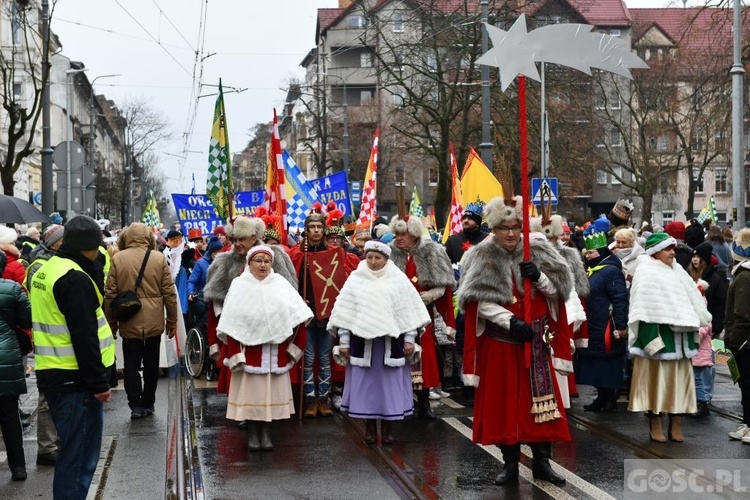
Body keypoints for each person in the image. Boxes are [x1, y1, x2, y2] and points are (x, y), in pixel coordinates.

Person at [458, 195, 572, 486]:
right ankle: (510, 463)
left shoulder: (538, 250)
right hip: (501, 345)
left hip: (535, 343)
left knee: (541, 406)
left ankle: (542, 463)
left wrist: (540, 277)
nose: (510, 233)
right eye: (503, 228)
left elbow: (560, 291)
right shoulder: (481, 255)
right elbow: (475, 302)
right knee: (504, 406)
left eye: (515, 227)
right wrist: (509, 321)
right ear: (494, 229)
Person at [30, 215, 115, 499]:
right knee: (79, 458)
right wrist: (99, 383)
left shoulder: (48, 269)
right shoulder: (75, 278)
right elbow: (84, 335)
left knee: (71, 454)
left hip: (54, 373)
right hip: (76, 380)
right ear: (88, 247)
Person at [328, 240, 430, 444]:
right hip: (362, 344)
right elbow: (346, 315)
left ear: (386, 259)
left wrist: (409, 339)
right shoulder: (355, 279)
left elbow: (407, 313)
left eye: (378, 258)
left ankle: (388, 428)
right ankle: (369, 429)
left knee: (388, 388)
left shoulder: (398, 280)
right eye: (370, 257)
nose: (373, 262)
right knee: (367, 388)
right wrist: (345, 342)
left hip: (390, 345)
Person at [216, 245, 312, 451]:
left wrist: (294, 347)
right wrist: (234, 353)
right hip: (249, 354)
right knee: (252, 395)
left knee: (270, 396)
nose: (263, 265)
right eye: (258, 261)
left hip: (274, 354)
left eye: (267, 261)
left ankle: (266, 432)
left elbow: (299, 316)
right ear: (249, 263)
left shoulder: (281, 284)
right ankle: (252, 432)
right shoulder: (239, 285)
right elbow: (231, 323)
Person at [627, 232, 711, 443]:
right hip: (660, 341)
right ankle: (655, 422)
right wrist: (650, 341)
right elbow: (642, 310)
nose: (672, 252)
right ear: (656, 252)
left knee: (679, 386)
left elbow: (690, 304)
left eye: (673, 248)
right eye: (668, 249)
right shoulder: (646, 272)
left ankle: (676, 423)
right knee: (656, 385)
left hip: (680, 343)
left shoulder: (678, 271)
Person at [204, 217, 297, 401]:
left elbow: (289, 293)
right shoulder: (223, 262)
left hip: (270, 329)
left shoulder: (276, 257)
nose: (237, 244)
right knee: (240, 376)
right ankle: (244, 412)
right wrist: (216, 337)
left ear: (253, 237)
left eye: (242, 239)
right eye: (234, 239)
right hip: (238, 331)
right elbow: (215, 303)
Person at [104, 223, 178, 419]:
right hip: (154, 318)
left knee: (131, 364)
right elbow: (169, 292)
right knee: (152, 363)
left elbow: (110, 293)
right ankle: (149, 402)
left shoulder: (118, 258)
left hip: (129, 317)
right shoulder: (158, 257)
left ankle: (135, 404)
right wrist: (172, 319)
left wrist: (111, 322)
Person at [289, 204, 357, 418]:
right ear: (307, 230)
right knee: (308, 359)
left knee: (326, 358)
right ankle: (310, 399)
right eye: (312, 227)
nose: (316, 231)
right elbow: (291, 283)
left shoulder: (334, 255)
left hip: (327, 314)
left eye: (319, 227)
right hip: (307, 315)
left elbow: (340, 282)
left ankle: (324, 399)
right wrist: (298, 297)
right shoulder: (297, 254)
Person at [389, 215, 456, 419]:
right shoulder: (390, 253)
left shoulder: (431, 251)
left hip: (422, 316)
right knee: (397, 357)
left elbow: (444, 285)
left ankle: (424, 402)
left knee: (424, 359)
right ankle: (400, 402)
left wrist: (427, 296)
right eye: (397, 234)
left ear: (415, 234)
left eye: (404, 234)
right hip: (397, 316)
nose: (399, 238)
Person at [24, 223, 64, 466]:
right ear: (55, 243)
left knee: (53, 395)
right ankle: (47, 447)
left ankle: (51, 444)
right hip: (49, 340)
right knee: (47, 397)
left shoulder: (43, 263)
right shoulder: (40, 266)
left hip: (51, 339)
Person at [576, 229, 629, 412]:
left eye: (591, 252)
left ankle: (608, 399)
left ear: (601, 252)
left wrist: (620, 326)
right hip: (594, 324)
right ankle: (601, 396)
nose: (588, 256)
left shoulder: (611, 272)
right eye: (587, 253)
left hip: (607, 325)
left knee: (607, 363)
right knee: (597, 363)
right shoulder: (595, 270)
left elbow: (620, 299)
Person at [0, 249, 31, 481]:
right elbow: (26, 320)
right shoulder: (13, 289)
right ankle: (18, 467)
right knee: (10, 415)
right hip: (7, 357)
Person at [725, 228, 750, 442]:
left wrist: (735, 341)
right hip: (745, 339)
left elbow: (741, 313)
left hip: (744, 341)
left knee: (748, 383)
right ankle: (747, 422)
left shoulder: (743, 276)